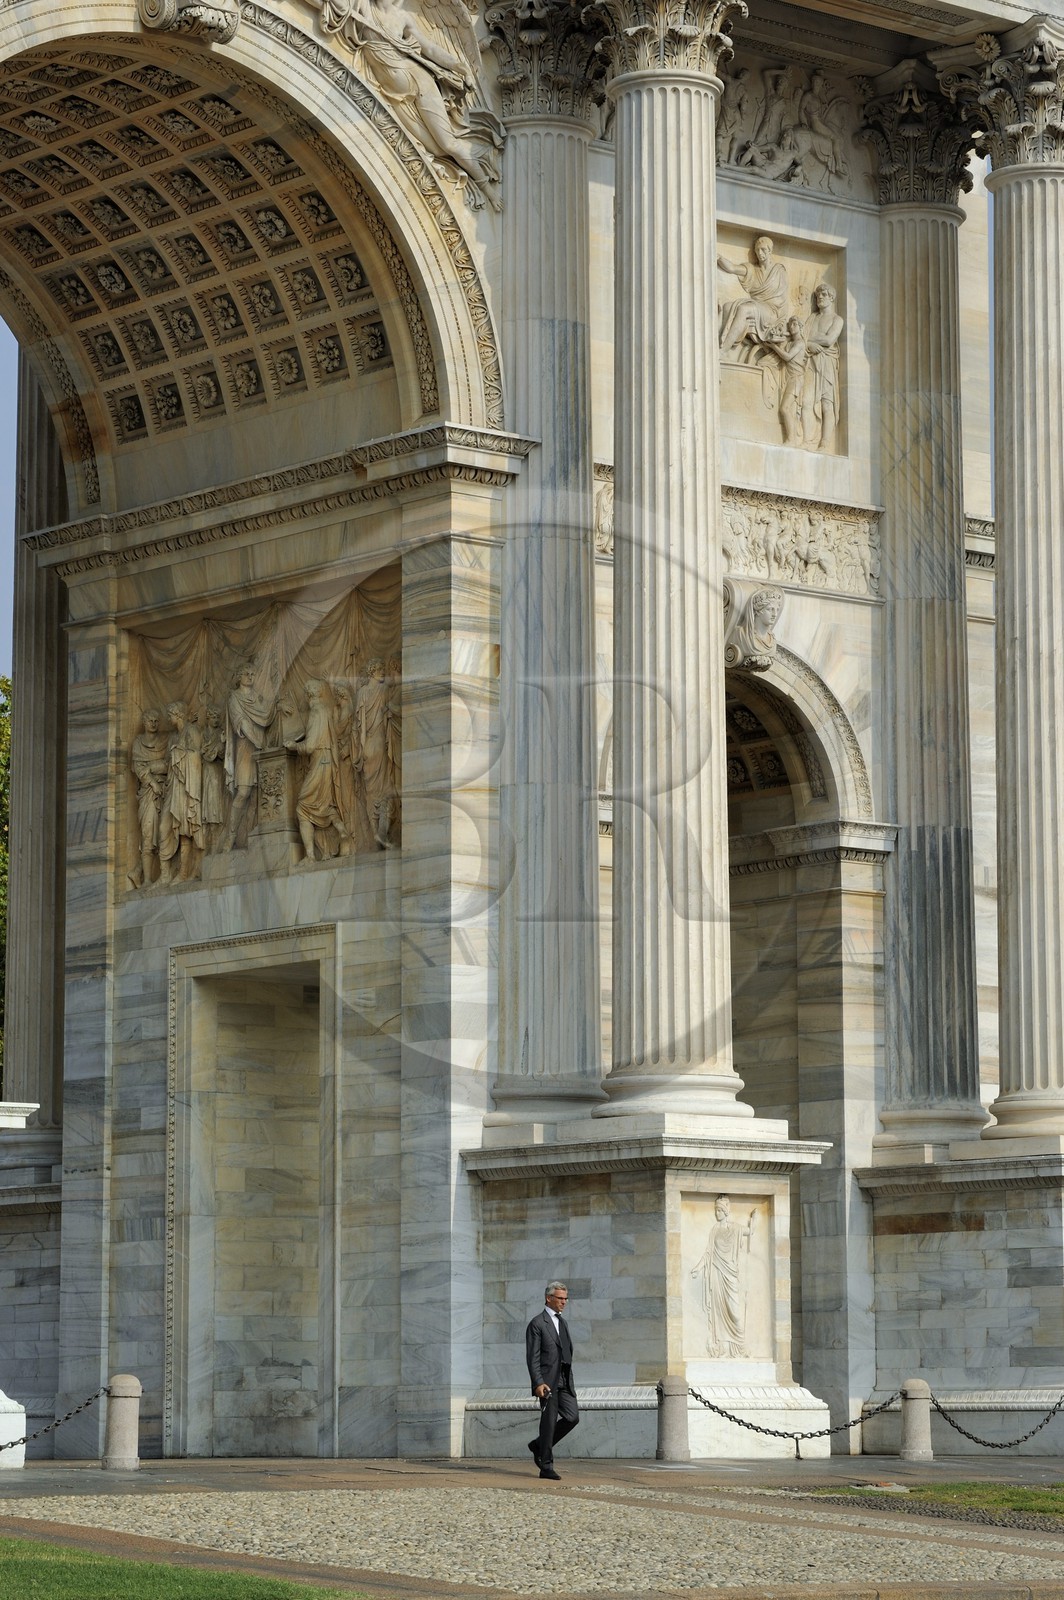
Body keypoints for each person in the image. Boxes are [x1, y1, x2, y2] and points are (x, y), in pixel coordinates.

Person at [525, 1280, 579, 1480]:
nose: (564, 1302)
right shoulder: (537, 1323)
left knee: (573, 1417)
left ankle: (538, 1445)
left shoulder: (562, 1322)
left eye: (566, 1298)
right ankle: (546, 1466)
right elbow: (533, 1357)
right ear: (549, 1298)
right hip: (547, 1382)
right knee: (548, 1423)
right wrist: (538, 1382)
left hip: (564, 1380)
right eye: (560, 1298)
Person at [717, 236, 789, 358]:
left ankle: (723, 350)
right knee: (728, 306)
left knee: (744, 309)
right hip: (757, 306)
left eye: (763, 250)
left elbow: (783, 300)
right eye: (757, 250)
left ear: (770, 250)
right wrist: (719, 258)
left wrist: (781, 323)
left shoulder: (778, 271)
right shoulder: (752, 269)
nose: (760, 253)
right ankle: (717, 342)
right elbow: (732, 268)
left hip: (771, 311)